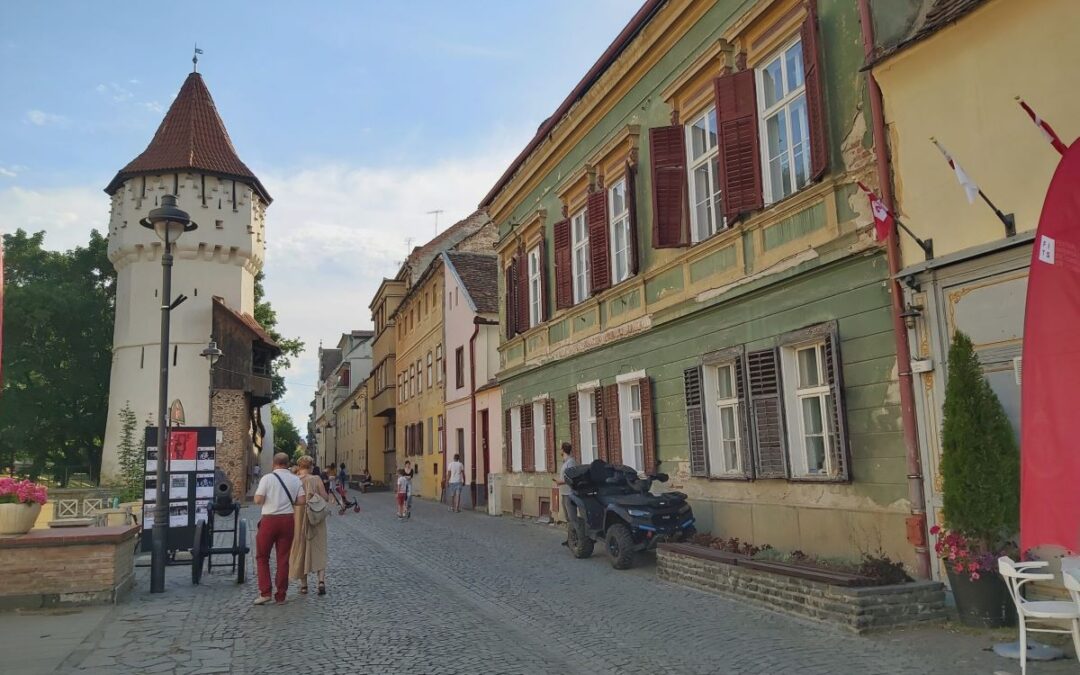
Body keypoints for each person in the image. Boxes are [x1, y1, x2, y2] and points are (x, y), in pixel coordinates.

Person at [253, 452, 304, 605]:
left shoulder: (267, 478)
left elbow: (258, 499)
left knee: (262, 557)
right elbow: (301, 501)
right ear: (287, 464)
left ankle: (265, 592)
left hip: (269, 520)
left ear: (274, 463)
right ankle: (281, 595)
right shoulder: (295, 479)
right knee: (283, 558)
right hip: (288, 520)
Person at [289, 456, 329, 596]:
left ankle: (304, 585)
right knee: (319, 547)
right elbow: (325, 497)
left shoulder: (294, 480)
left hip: (299, 519)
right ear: (311, 466)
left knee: (301, 548)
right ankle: (321, 582)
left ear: (299, 466)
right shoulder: (316, 479)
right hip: (315, 517)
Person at [554, 443, 578, 533]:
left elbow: (572, 478)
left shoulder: (571, 462)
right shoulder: (565, 462)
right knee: (567, 517)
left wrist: (560, 482)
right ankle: (571, 538)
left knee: (572, 517)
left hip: (569, 493)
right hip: (564, 492)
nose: (560, 451)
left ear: (563, 450)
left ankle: (578, 538)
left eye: (561, 449)